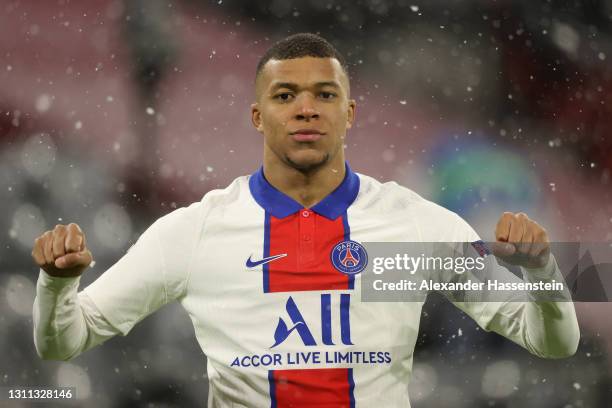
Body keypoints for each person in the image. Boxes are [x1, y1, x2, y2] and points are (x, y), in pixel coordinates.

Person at [32, 33, 579, 407]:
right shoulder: (195, 232)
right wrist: (57, 285)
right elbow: (64, 342)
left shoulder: (413, 228)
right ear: (257, 115)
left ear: (350, 113)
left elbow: (554, 343)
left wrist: (544, 275)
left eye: (325, 94)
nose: (306, 109)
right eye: (285, 95)